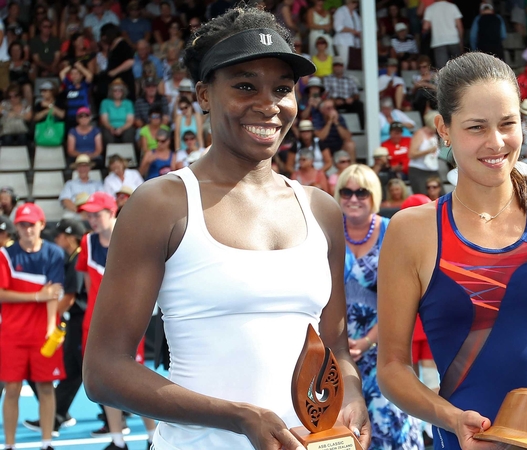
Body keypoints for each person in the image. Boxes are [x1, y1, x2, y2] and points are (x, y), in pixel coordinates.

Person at [81, 7, 371, 450]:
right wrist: (239, 417)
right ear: (203, 94)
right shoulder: (162, 204)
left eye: (282, 88)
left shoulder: (321, 209)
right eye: (244, 86)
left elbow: (334, 344)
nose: (268, 104)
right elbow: (103, 371)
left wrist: (351, 393)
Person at [375, 51, 527, 450]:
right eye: (476, 127)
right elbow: (391, 368)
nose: (496, 142)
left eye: (508, 124)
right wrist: (452, 419)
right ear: (444, 128)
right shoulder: (413, 231)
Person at [335, 164, 423, 447]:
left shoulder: (392, 231)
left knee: (389, 424)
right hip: (337, 350)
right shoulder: (330, 232)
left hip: (385, 347)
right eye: (346, 191)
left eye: (361, 191)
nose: (353, 198)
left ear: (373, 195)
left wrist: (367, 341)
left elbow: (405, 298)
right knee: (345, 429)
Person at [76, 192, 158, 449]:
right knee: (104, 379)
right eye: (89, 215)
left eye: (96, 214)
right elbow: (90, 287)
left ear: (112, 212)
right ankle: (117, 440)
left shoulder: (131, 238)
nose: (92, 219)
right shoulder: (87, 243)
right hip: (96, 322)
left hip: (128, 321)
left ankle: (152, 436)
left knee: (138, 381)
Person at [0, 203, 65, 450]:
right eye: (22, 225)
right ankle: (9, 445)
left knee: (46, 387)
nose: (27, 229)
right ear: (16, 227)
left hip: (42, 334)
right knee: (12, 388)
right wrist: (36, 296)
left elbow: (54, 293)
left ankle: (46, 443)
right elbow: (2, 294)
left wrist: (51, 325)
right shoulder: (5, 255)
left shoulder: (54, 254)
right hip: (12, 334)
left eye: (31, 224)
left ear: (41, 224)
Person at [23, 219, 87, 437]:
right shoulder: (71, 258)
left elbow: (70, 297)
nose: (55, 239)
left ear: (69, 237)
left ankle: (58, 415)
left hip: (80, 321)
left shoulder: (77, 258)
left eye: (59, 235)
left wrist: (47, 319)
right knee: (74, 370)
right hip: (74, 320)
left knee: (79, 370)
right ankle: (57, 415)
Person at [423, 0, 463, 69]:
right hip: (453, 40)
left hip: (438, 41)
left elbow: (425, 27)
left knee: (442, 69)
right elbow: (460, 26)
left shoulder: (430, 9)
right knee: (458, 68)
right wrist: (461, 42)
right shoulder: (452, 6)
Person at [407, 113, 441, 195]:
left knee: (440, 195)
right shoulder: (419, 134)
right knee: (422, 195)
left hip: (433, 169)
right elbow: (411, 154)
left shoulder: (434, 135)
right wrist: (428, 151)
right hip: (419, 170)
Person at [100, 78, 137, 146]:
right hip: (109, 127)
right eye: (115, 90)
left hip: (125, 127)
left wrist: (121, 129)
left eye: (120, 90)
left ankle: (128, 156)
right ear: (111, 92)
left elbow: (130, 121)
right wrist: (111, 128)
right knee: (107, 136)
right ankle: (110, 156)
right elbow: (104, 120)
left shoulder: (128, 103)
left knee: (129, 135)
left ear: (123, 92)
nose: (117, 92)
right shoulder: (105, 102)